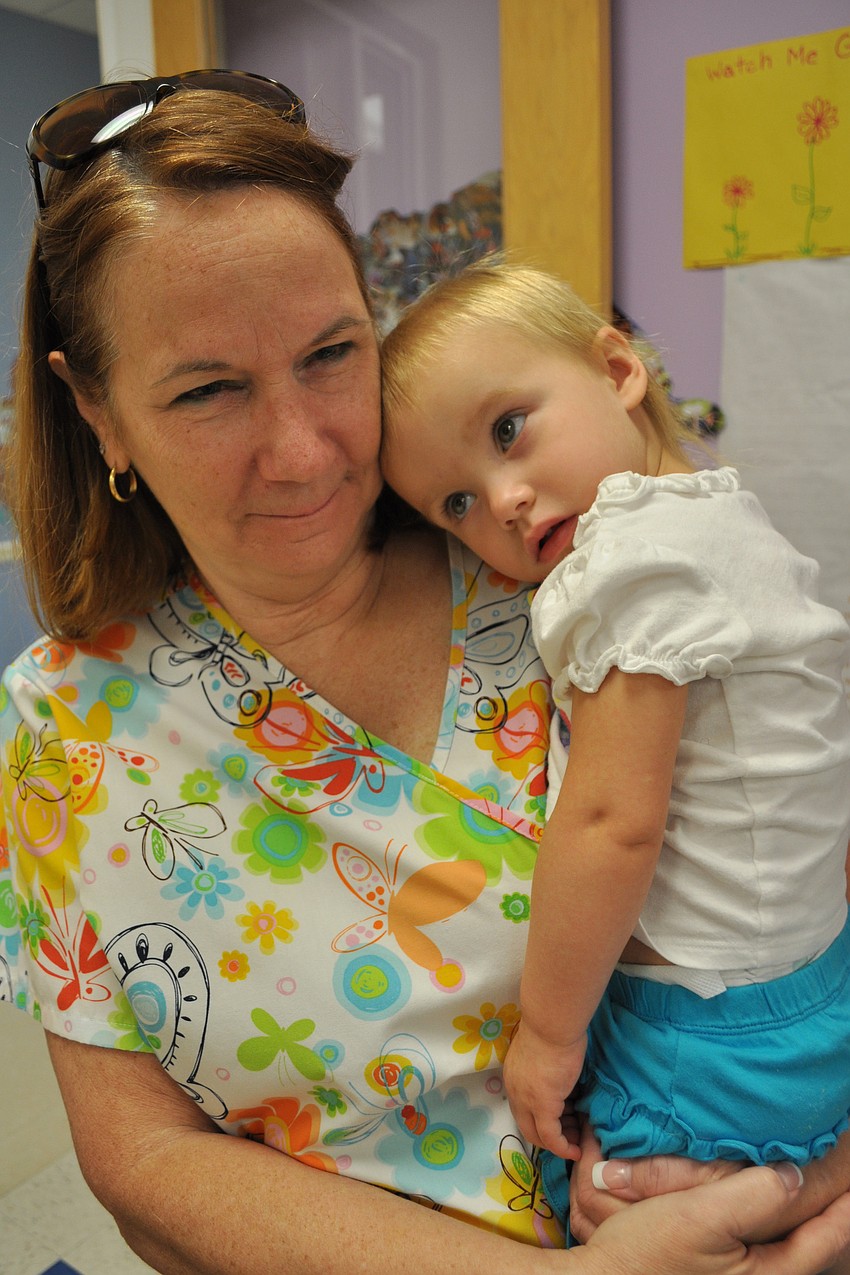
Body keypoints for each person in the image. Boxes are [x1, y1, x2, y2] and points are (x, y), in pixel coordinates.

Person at [1, 72, 850, 1275]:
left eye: (331, 355)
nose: (302, 451)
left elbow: (808, 828)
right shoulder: (67, 729)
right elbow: (144, 1165)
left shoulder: (558, 576)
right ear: (99, 412)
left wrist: (813, 1181)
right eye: (207, 389)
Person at [380, 259, 850, 1219]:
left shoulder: (627, 563)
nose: (503, 499)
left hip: (707, 1039)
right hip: (809, 989)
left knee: (614, 1214)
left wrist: (549, 1036)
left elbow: (610, 819)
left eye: (509, 431)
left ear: (617, 368)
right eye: (456, 504)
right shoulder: (725, 517)